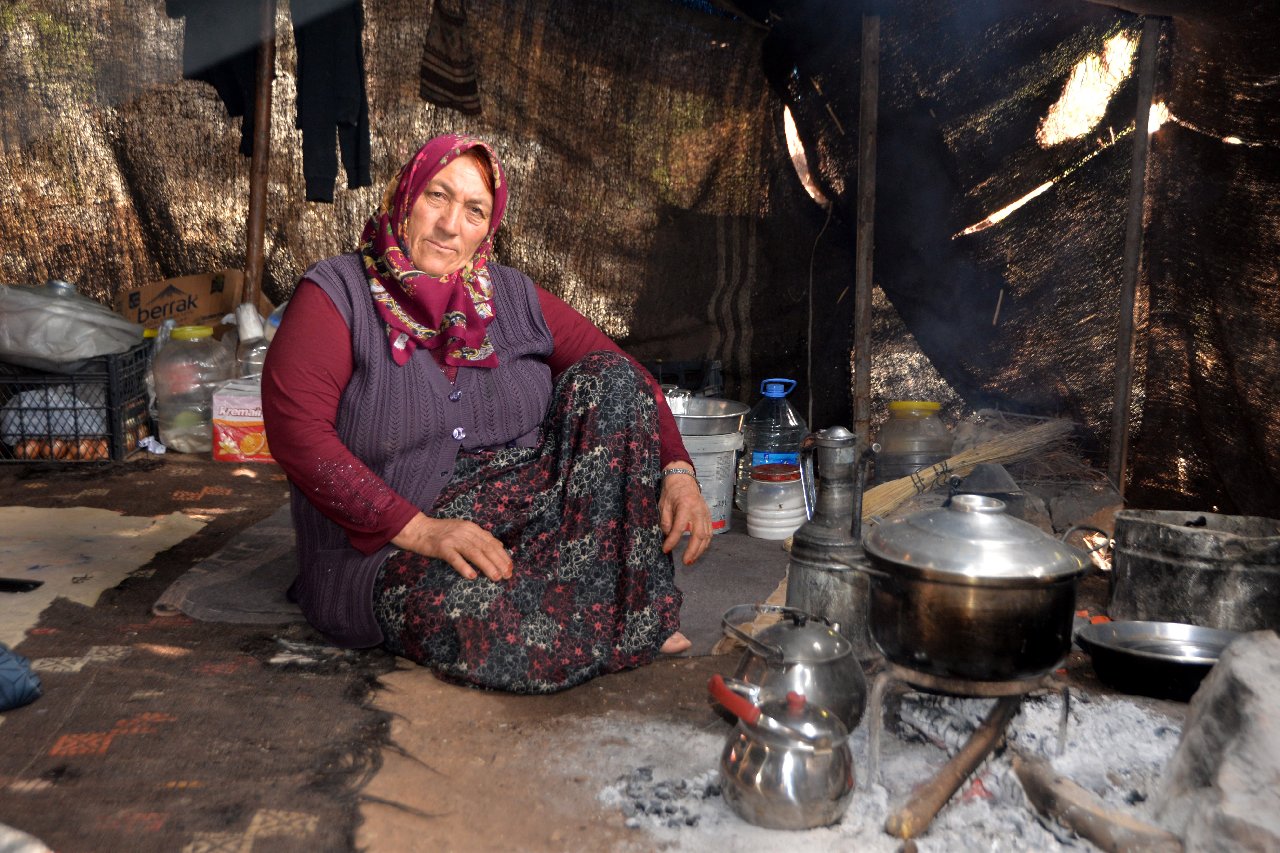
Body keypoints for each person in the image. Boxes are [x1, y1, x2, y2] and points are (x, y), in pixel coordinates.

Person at [262, 133, 712, 694]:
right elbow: (297, 434)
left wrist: (677, 471)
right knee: (507, 639)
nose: (451, 225)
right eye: (437, 197)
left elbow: (626, 372)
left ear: (489, 226)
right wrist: (420, 529)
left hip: (531, 516)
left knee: (612, 383)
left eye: (474, 210)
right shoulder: (338, 294)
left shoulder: (507, 294)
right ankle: (620, 614)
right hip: (392, 540)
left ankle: (603, 608)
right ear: (403, 197)